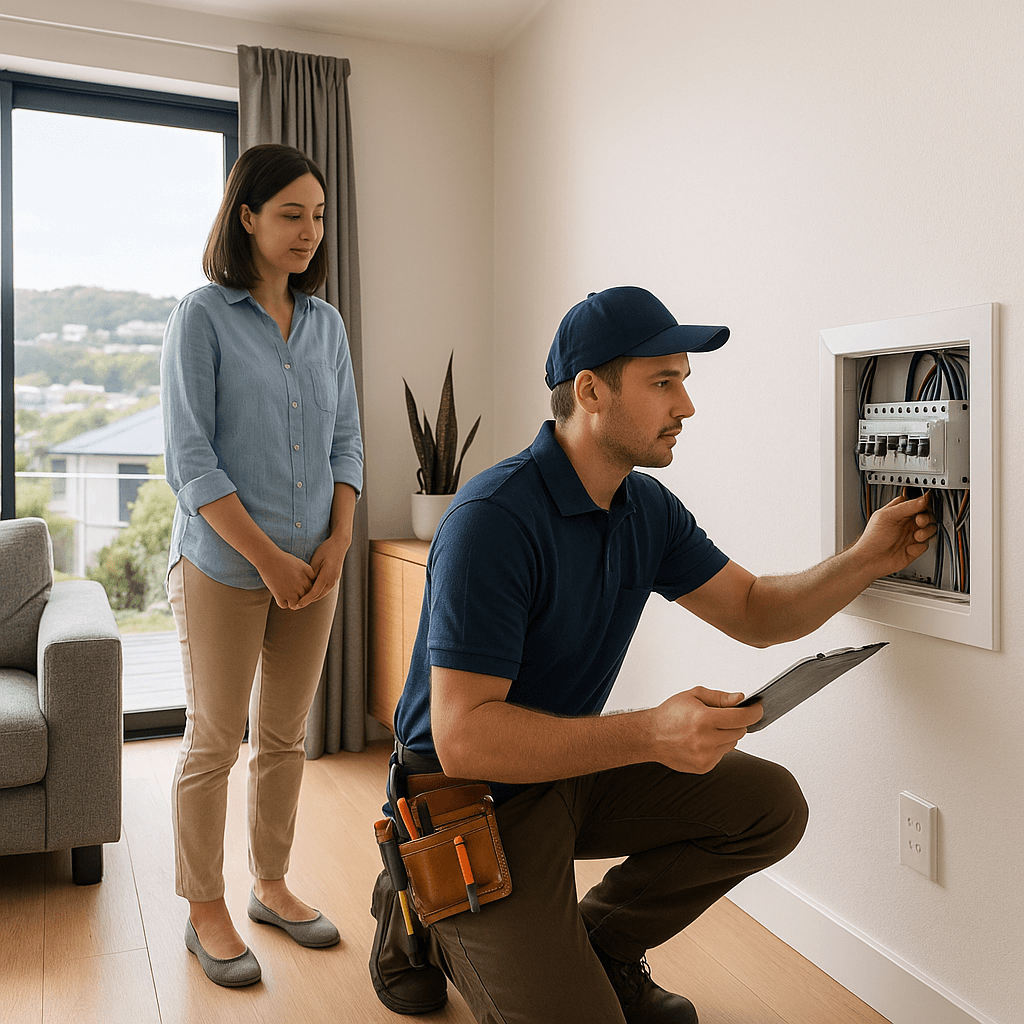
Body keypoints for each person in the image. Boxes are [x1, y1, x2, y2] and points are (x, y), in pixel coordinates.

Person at [368, 286, 936, 1023]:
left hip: (567, 769)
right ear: (591, 391)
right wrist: (651, 732)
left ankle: (601, 945)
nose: (686, 406)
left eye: (684, 382)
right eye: (663, 382)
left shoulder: (646, 509)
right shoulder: (492, 521)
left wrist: (865, 559)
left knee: (767, 807)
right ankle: (408, 899)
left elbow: (757, 611)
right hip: (466, 797)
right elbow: (466, 736)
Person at [161, 143, 362, 988]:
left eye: (318, 216)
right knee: (214, 740)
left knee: (284, 740)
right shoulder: (201, 316)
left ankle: (270, 884)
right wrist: (270, 561)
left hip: (316, 566)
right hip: (224, 567)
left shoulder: (327, 326)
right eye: (292, 214)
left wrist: (339, 541)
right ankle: (203, 905)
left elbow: (347, 440)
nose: (310, 231)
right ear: (247, 216)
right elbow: (192, 463)